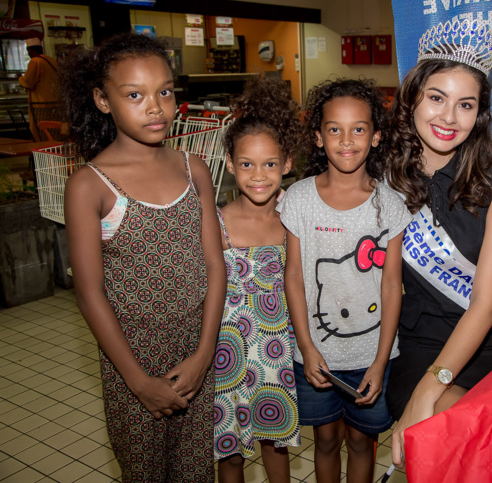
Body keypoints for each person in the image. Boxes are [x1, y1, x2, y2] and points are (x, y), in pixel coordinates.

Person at [62, 33, 226, 482]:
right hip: (131, 360)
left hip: (196, 351)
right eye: (134, 95)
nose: (155, 106)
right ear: (102, 100)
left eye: (165, 91)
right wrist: (137, 381)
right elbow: (90, 293)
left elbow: (215, 264)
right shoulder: (90, 185)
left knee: (196, 470)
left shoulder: (194, 168)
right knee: (145, 470)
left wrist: (203, 353)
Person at [384, 19, 492, 467]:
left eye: (465, 105)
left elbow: (486, 301)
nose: (449, 117)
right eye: (436, 98)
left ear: (479, 113)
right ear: (412, 100)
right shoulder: (383, 174)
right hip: (422, 340)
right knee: (467, 436)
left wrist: (432, 385)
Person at [279, 78, 411, 483]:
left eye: (359, 129)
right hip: (316, 357)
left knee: (361, 443)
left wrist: (380, 359)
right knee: (325, 442)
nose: (347, 140)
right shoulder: (299, 198)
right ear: (318, 137)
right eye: (334, 129)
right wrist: (306, 347)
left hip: (372, 358)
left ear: (376, 136)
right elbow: (295, 279)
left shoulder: (389, 203)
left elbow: (392, 286)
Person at [213, 76, 301, 483]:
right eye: (247, 164)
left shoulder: (292, 223)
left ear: (287, 164)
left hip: (276, 353)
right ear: (230, 164)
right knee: (228, 454)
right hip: (224, 354)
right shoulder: (214, 223)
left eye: (270, 164)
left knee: (275, 443)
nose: (258, 175)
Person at [17, 37, 60, 140]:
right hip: (55, 103)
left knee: (42, 131)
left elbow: (28, 82)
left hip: (40, 104)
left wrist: (20, 79)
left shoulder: (35, 62)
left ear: (31, 50)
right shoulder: (51, 60)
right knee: (54, 130)